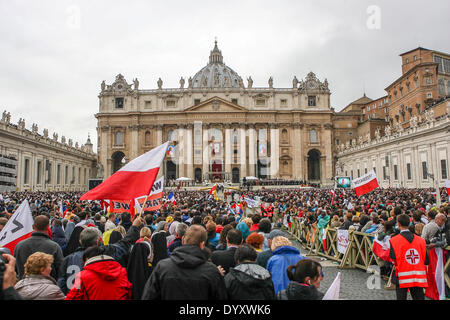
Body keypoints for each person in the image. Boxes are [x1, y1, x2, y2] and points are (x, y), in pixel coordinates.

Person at [141, 224, 227, 300]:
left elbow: (148, 296)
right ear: (202, 244)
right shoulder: (212, 271)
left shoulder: (162, 267)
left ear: (183, 240)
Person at [65, 246, 132, 300]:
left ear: (87, 259)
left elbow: (72, 297)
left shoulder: (81, 276)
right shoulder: (122, 272)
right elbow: (129, 294)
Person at [389, 213, 428, 300]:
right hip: (418, 276)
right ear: (409, 223)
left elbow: (392, 258)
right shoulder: (421, 240)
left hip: (402, 275)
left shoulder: (394, 240)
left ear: (398, 224)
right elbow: (426, 261)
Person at [14, 215, 64, 281]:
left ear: (33, 227)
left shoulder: (19, 246)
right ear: (47, 228)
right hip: (48, 288)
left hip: (24, 287)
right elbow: (61, 270)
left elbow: (15, 268)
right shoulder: (54, 247)